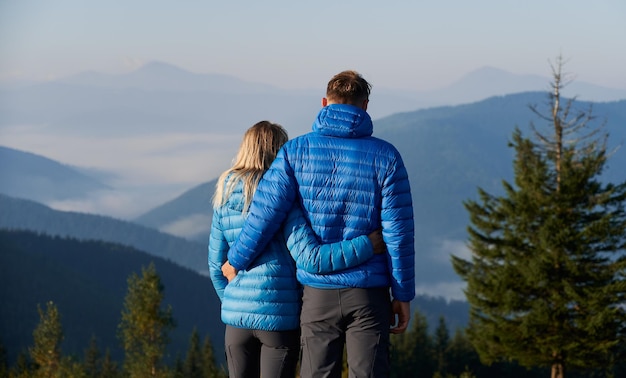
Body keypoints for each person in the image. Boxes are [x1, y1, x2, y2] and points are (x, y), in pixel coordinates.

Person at [223, 71, 415, 377]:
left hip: (317, 291)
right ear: (365, 106)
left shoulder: (295, 152)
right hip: (369, 291)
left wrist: (236, 260)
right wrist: (402, 295)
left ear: (325, 103)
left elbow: (265, 214)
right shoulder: (387, 157)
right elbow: (399, 234)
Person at [208, 120, 386, 378]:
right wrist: (368, 244)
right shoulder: (287, 203)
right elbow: (312, 258)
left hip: (236, 324)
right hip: (279, 321)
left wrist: (237, 304)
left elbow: (216, 266)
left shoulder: (223, 197)